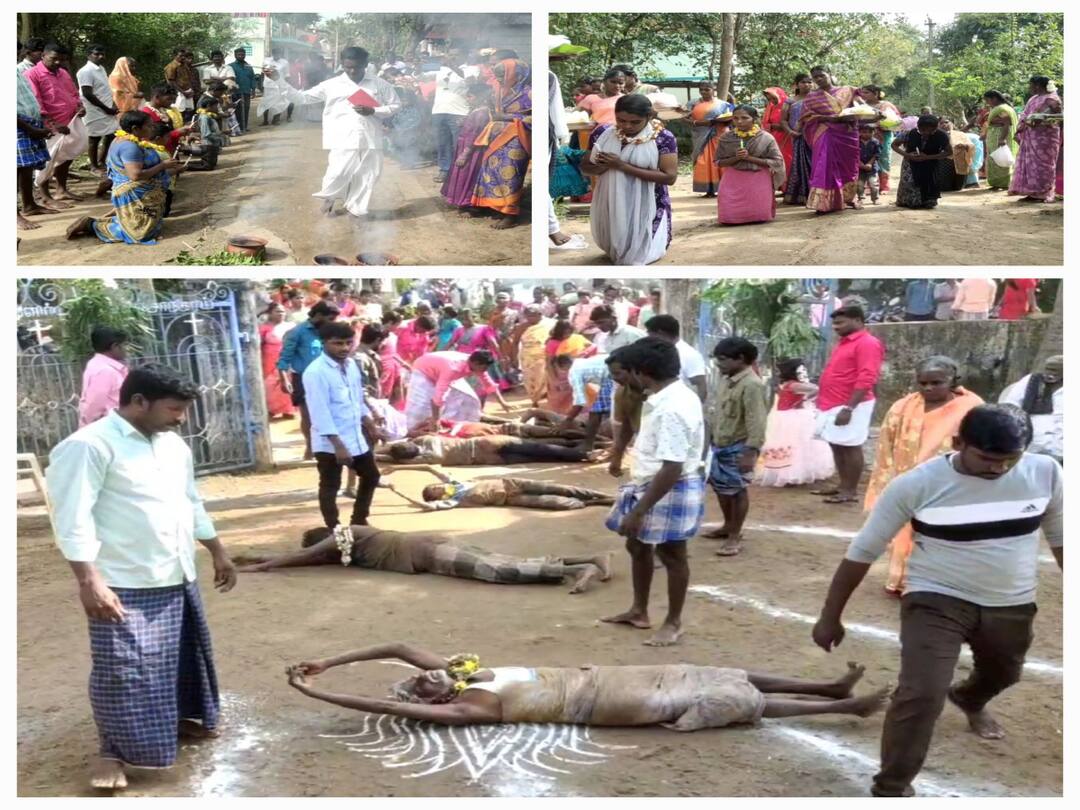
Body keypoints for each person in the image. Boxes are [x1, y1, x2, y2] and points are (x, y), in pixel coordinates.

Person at [813, 404, 1062, 797]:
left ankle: (969, 698)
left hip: (1011, 601)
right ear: (959, 443)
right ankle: (891, 787)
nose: (998, 469)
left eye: (1009, 460)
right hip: (936, 599)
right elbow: (863, 551)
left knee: (1005, 673)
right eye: (987, 458)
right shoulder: (916, 484)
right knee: (920, 692)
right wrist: (830, 616)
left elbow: (1064, 541)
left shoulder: (1045, 472)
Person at [45, 364, 237, 791]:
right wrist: (88, 581)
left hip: (174, 572)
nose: (181, 418)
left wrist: (217, 551)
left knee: (182, 657)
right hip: (122, 581)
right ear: (137, 402)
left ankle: (183, 719)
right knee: (123, 669)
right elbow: (71, 519)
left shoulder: (173, 447)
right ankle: (112, 751)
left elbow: (190, 501)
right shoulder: (88, 447)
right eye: (174, 409)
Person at [285, 642, 888, 729]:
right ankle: (847, 708)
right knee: (731, 700)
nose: (430, 674)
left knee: (717, 672)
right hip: (608, 702)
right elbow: (386, 706)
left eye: (424, 675)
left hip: (607, 678)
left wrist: (326, 663)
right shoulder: (468, 706)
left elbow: (392, 646)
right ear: (438, 702)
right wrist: (318, 695)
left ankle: (828, 687)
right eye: (425, 685)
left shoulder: (462, 674)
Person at [601, 338, 706, 647]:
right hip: (649, 481)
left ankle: (673, 622)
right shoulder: (664, 397)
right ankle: (639, 610)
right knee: (636, 546)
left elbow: (672, 467)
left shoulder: (672, 407)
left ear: (641, 373)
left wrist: (639, 510)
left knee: (672, 555)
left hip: (669, 486)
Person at [865, 356, 984, 596]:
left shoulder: (973, 408)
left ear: (954, 381)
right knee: (906, 532)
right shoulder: (902, 407)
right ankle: (904, 581)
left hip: (950, 485)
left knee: (941, 536)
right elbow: (886, 445)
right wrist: (886, 481)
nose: (928, 388)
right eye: (923, 383)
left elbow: (980, 445)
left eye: (936, 382)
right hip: (908, 482)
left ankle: (937, 585)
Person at [236, 526, 611, 594]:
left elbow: (304, 555)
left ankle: (577, 569)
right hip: (431, 553)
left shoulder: (344, 534)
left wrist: (258, 567)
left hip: (430, 552)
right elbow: (305, 561)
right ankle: (587, 558)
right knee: (506, 561)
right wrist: (252, 557)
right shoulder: (348, 550)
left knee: (498, 570)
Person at [281, 47, 399, 218]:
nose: (352, 71)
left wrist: (373, 111)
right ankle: (330, 196)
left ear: (365, 64)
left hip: (370, 136)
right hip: (342, 136)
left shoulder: (380, 84)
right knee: (338, 171)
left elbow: (396, 106)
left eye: (357, 67)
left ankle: (356, 208)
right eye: (347, 67)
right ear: (342, 64)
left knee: (368, 174)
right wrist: (279, 81)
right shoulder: (332, 84)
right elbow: (302, 98)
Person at [303, 321, 385, 530]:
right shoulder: (315, 373)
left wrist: (369, 423)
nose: (344, 348)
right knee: (331, 485)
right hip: (330, 442)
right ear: (324, 343)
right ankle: (334, 528)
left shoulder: (351, 366)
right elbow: (319, 412)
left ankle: (359, 520)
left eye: (348, 343)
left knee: (371, 475)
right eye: (337, 343)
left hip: (355, 436)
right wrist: (338, 445)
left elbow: (356, 399)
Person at [583, 94, 678, 266]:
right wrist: (604, 165)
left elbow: (669, 177)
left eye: (634, 122)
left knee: (640, 256)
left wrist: (622, 165)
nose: (627, 126)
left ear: (649, 117)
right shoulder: (602, 133)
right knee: (617, 245)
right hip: (612, 199)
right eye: (621, 120)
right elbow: (586, 167)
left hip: (649, 202)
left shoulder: (663, 137)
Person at [64, 110, 183, 244]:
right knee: (140, 235)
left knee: (150, 227)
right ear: (135, 129)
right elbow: (135, 175)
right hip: (134, 193)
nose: (152, 128)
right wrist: (162, 166)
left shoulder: (128, 140)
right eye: (149, 126)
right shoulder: (129, 146)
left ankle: (104, 222)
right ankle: (93, 225)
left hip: (143, 193)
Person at [811, 306, 885, 504]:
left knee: (850, 446)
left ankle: (850, 491)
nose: (835, 327)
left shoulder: (868, 343)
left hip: (851, 403)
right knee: (837, 444)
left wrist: (849, 408)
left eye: (840, 322)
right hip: (832, 402)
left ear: (858, 321)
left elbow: (867, 376)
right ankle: (842, 486)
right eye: (834, 323)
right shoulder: (844, 342)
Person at [703, 338, 767, 556]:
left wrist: (751, 451)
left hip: (738, 446)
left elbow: (756, 421)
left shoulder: (752, 384)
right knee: (721, 487)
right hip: (720, 443)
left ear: (740, 359)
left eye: (722, 359)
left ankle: (734, 535)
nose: (718, 364)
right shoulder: (726, 379)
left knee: (737, 490)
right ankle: (728, 525)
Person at [801, 66, 875, 213]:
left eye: (821, 75)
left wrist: (874, 113)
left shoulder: (848, 91)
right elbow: (806, 117)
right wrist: (825, 119)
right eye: (815, 77)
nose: (819, 79)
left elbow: (861, 108)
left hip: (847, 134)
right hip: (825, 133)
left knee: (848, 167)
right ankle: (823, 203)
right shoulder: (812, 97)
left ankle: (848, 198)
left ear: (830, 74)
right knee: (824, 166)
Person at [469, 58, 532, 229]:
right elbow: (490, 112)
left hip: (516, 138)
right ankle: (498, 207)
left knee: (510, 174)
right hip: (494, 137)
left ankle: (510, 213)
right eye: (497, 76)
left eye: (502, 75)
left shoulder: (529, 93)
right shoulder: (497, 93)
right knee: (492, 171)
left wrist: (509, 117)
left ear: (517, 75)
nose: (499, 79)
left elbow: (536, 118)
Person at [387, 466, 614, 512]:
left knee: (563, 489)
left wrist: (399, 468)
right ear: (434, 496)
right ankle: (595, 502)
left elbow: (429, 467)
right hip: (509, 499)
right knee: (557, 503)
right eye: (435, 490)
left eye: (437, 485)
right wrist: (396, 491)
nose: (439, 487)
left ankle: (603, 497)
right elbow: (424, 506)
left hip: (511, 484)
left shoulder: (456, 485)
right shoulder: (452, 501)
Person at [757, 358, 834, 488]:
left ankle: (786, 472)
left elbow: (814, 389)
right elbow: (815, 389)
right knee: (798, 445)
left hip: (787, 417)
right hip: (792, 418)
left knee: (792, 445)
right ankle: (793, 472)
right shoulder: (793, 385)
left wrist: (804, 399)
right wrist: (805, 399)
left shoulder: (788, 384)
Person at [278, 301, 340, 460]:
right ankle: (310, 447)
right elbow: (285, 358)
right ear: (319, 316)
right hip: (303, 379)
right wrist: (284, 379)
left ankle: (330, 447)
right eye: (329, 318)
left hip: (328, 377)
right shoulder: (297, 332)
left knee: (332, 413)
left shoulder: (328, 332)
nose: (332, 322)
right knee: (308, 416)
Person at [25, 43, 86, 204]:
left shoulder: (63, 73)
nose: (58, 62)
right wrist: (52, 124)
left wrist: (79, 106)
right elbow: (35, 101)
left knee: (66, 156)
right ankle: (45, 195)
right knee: (47, 159)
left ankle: (61, 190)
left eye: (62, 59)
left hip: (70, 121)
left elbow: (74, 93)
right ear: (43, 56)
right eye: (54, 59)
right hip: (49, 126)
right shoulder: (32, 74)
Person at [714, 104, 787, 225]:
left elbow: (777, 162)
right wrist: (736, 158)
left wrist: (750, 158)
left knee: (760, 215)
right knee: (729, 216)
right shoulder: (726, 138)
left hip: (758, 177)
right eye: (735, 118)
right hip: (733, 178)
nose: (739, 122)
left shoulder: (767, 138)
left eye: (744, 118)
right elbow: (719, 162)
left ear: (754, 119)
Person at [402, 350, 505, 432]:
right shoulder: (453, 368)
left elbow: (489, 384)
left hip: (441, 370)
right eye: (484, 367)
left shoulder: (477, 367)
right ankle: (410, 430)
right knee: (422, 405)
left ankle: (454, 424)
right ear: (475, 363)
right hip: (423, 370)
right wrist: (435, 418)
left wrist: (503, 403)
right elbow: (439, 396)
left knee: (468, 398)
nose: (485, 370)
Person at [377, 434, 600, 467]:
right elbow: (393, 447)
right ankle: (584, 452)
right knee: (540, 448)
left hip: (485, 456)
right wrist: (385, 447)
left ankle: (583, 453)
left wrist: (375, 455)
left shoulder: (426, 458)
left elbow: (389, 457)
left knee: (539, 455)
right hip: (488, 444)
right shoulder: (426, 440)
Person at [998, 355, 1063, 463]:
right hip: (1028, 437)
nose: (1051, 374)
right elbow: (1010, 405)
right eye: (1049, 369)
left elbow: (1061, 418)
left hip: (1056, 443)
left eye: (1055, 371)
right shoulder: (1031, 380)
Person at [1009, 77, 1062, 203]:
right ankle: (1031, 192)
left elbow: (1058, 116)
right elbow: (1025, 115)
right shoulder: (1033, 99)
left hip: (1045, 138)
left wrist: (1041, 117)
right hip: (1031, 135)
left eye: (1031, 85)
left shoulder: (1052, 99)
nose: (1029, 88)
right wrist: (1024, 123)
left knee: (1043, 164)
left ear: (1038, 85)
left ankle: (1043, 193)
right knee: (1030, 163)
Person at [16, 64, 56, 230]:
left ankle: (29, 205)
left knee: (27, 167)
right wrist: (31, 129)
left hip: (29, 122)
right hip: (19, 125)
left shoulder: (16, 71)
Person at [430, 50, 478, 184]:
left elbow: (471, 81)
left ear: (463, 55)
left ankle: (459, 173)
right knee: (442, 143)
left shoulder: (471, 69)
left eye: (456, 55)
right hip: (438, 110)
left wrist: (454, 67)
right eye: (450, 55)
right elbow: (424, 77)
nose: (452, 57)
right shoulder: (440, 70)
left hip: (459, 112)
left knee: (459, 143)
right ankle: (445, 170)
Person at [891, 114, 953, 209]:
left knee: (929, 189)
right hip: (910, 163)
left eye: (930, 131)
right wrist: (907, 155)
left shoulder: (942, 136)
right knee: (911, 189)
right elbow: (894, 145)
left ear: (936, 128)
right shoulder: (910, 133)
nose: (926, 133)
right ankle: (907, 200)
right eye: (923, 130)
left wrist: (928, 157)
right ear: (918, 127)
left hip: (930, 163)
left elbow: (949, 152)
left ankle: (928, 200)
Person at [77, 44, 119, 178]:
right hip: (94, 109)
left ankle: (102, 161)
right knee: (94, 138)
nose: (100, 57)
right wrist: (106, 109)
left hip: (107, 108)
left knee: (111, 134)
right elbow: (88, 94)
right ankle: (93, 166)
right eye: (96, 54)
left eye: (102, 54)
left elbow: (105, 89)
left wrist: (112, 105)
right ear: (89, 55)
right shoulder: (85, 71)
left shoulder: (101, 69)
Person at [644, 314, 707, 402]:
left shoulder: (688, 354)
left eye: (650, 334)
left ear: (660, 333)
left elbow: (701, 386)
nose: (648, 338)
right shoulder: (658, 351)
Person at [77, 326, 129, 427]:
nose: (127, 349)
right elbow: (93, 408)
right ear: (115, 346)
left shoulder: (100, 365)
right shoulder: (104, 371)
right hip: (109, 429)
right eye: (125, 345)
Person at [687, 82, 732, 197]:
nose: (704, 92)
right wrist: (696, 123)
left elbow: (731, 118)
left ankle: (724, 188)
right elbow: (683, 118)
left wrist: (716, 121)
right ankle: (709, 189)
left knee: (717, 161)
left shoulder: (723, 104)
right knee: (702, 162)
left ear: (714, 89)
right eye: (701, 90)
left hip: (718, 136)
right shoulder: (692, 104)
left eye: (707, 89)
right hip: (700, 135)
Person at [860, 85, 901, 193]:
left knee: (883, 159)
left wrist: (881, 123)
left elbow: (897, 120)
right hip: (864, 138)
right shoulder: (860, 106)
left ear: (876, 93)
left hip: (884, 136)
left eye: (866, 92)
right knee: (865, 158)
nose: (863, 95)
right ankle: (869, 186)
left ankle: (884, 186)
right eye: (862, 92)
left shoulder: (886, 105)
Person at [258, 303, 296, 419]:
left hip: (288, 359)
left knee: (289, 382)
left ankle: (288, 410)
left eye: (282, 311)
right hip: (270, 360)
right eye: (277, 311)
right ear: (270, 313)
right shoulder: (263, 328)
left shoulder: (291, 326)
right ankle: (272, 409)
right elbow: (258, 345)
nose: (281, 314)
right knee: (270, 384)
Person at [781, 74, 814, 205]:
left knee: (817, 163)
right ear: (796, 84)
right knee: (800, 164)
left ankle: (819, 193)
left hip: (816, 136)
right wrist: (791, 132)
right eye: (803, 82)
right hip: (798, 136)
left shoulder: (818, 98)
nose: (807, 85)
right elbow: (783, 120)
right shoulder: (790, 101)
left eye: (809, 82)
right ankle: (802, 194)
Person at [514, 305, 556, 407]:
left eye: (533, 316)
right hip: (527, 358)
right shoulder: (522, 327)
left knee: (544, 379)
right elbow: (515, 343)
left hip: (544, 356)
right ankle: (535, 401)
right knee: (529, 381)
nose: (530, 318)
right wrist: (513, 358)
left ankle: (545, 402)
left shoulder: (551, 324)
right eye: (528, 316)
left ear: (540, 314)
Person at [982, 90, 1017, 191]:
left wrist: (1002, 139)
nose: (987, 103)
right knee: (996, 159)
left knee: (1001, 159)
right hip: (994, 137)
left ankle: (1003, 183)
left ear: (994, 98)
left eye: (987, 100)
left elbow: (1007, 124)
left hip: (999, 137)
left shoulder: (1002, 109)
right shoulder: (1000, 108)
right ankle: (997, 183)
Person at [762, 86, 791, 184]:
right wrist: (771, 126)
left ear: (780, 95)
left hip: (787, 138)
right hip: (774, 138)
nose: (772, 101)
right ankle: (780, 185)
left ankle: (788, 187)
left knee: (787, 161)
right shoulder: (770, 106)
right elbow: (765, 122)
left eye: (774, 98)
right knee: (776, 161)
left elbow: (791, 122)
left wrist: (779, 126)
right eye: (769, 99)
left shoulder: (789, 105)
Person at [163, 49, 197, 122]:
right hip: (178, 92)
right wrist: (183, 92)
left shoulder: (184, 65)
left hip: (188, 91)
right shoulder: (171, 66)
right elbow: (171, 82)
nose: (183, 58)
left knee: (189, 111)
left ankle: (187, 127)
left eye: (184, 56)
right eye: (181, 56)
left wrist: (191, 90)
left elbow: (188, 78)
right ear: (174, 56)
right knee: (179, 111)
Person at [229, 48, 257, 133]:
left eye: (242, 54)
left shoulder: (248, 66)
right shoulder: (231, 66)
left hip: (246, 91)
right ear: (235, 55)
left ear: (245, 55)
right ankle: (237, 127)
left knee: (246, 108)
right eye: (239, 54)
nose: (241, 56)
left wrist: (253, 89)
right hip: (235, 92)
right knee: (237, 109)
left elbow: (252, 78)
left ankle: (244, 126)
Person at [856, 125, 880, 205]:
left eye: (870, 132)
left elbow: (877, 154)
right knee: (860, 184)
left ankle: (875, 198)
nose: (867, 134)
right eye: (864, 132)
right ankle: (860, 198)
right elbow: (854, 154)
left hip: (872, 168)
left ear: (873, 132)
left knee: (873, 184)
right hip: (860, 168)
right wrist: (860, 164)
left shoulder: (875, 142)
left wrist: (870, 163)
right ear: (860, 132)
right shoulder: (856, 142)